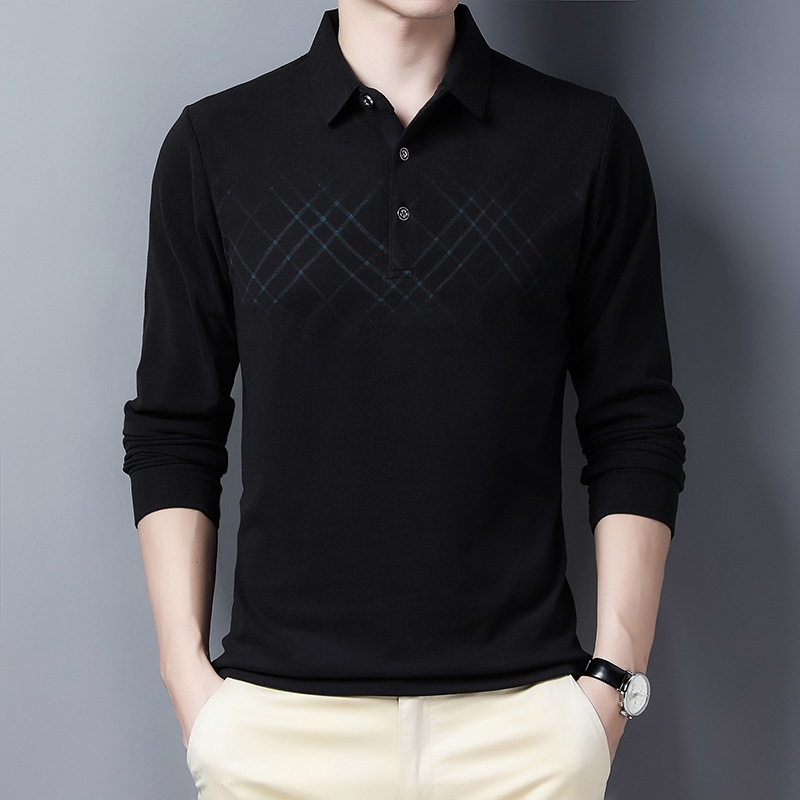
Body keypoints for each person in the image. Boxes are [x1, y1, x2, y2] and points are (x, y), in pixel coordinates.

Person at [122, 1, 686, 798]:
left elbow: (633, 424)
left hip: (523, 737)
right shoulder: (216, 144)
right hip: (280, 735)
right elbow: (175, 429)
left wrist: (613, 683)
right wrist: (187, 677)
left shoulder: (586, 140)